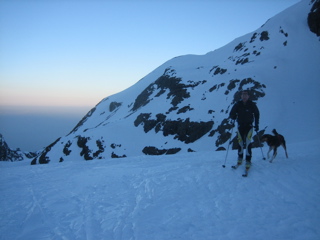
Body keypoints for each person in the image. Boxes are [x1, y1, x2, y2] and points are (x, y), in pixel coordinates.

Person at [229, 90, 260, 171]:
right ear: (241, 96)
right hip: (240, 126)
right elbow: (231, 113)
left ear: (248, 96)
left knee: (248, 142)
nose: (244, 96)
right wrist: (233, 116)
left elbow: (257, 114)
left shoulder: (252, 104)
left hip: (249, 126)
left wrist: (257, 125)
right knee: (240, 142)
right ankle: (240, 158)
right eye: (243, 95)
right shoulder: (237, 104)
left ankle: (248, 160)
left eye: (246, 95)